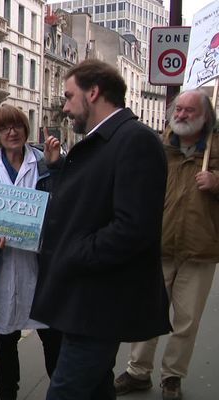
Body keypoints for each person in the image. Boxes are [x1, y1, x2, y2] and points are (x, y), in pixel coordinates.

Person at [30, 58, 171, 400]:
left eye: (68, 96)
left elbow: (133, 228)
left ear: (93, 92)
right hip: (84, 299)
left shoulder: (135, 140)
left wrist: (74, 252)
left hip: (99, 303)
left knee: (64, 392)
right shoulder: (102, 141)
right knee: (95, 390)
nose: (64, 107)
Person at [114, 89, 219, 400]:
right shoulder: (159, 146)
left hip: (200, 248)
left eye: (190, 111)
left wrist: (216, 182)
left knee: (186, 321)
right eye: (180, 109)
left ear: (205, 116)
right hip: (157, 245)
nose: (182, 115)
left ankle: (172, 377)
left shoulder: (215, 148)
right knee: (148, 311)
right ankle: (137, 371)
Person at [0, 105, 62, 400]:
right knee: (5, 337)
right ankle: (8, 395)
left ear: (25, 130)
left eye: (17, 126)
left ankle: (62, 391)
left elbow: (65, 204)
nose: (12, 132)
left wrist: (56, 166)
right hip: (2, 265)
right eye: (5, 128)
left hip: (39, 264)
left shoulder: (45, 164)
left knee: (50, 334)